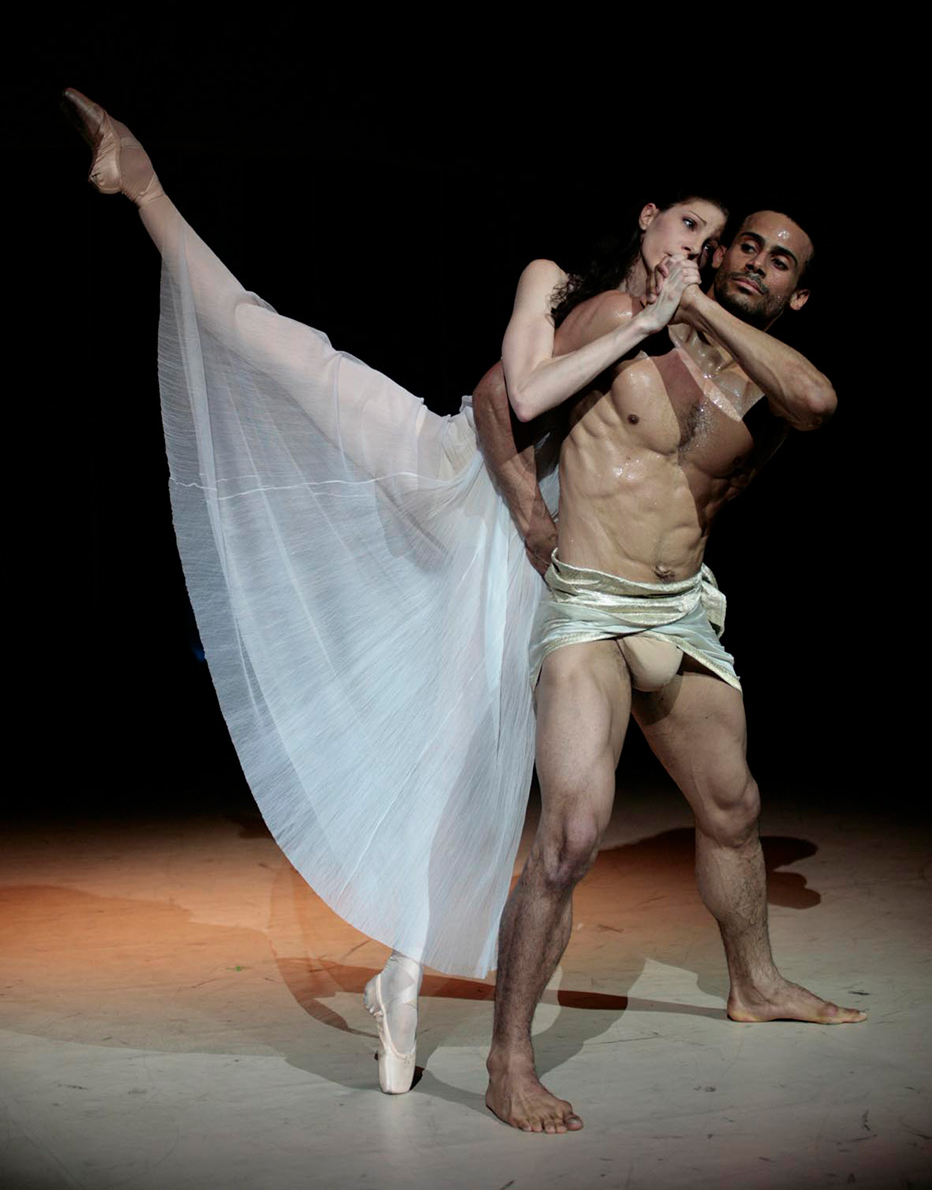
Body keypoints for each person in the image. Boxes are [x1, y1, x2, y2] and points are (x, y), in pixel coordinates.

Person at [61, 88, 725, 1096]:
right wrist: (642, 328)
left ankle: (400, 978)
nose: (695, 248)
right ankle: (146, 188)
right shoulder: (554, 281)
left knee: (470, 763)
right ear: (647, 219)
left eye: (710, 242)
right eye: (687, 224)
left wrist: (670, 331)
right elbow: (520, 394)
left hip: (526, 556)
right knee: (280, 347)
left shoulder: (676, 343)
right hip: (448, 467)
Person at [481, 207, 868, 1134]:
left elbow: (819, 404)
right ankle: (509, 1062)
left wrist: (702, 310)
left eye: (782, 263)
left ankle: (754, 984)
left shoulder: (770, 384)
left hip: (682, 612)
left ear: (797, 294)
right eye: (749, 246)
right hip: (591, 605)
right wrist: (529, 510)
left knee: (734, 809)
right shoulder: (622, 318)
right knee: (572, 835)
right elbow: (501, 394)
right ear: (719, 250)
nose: (760, 264)